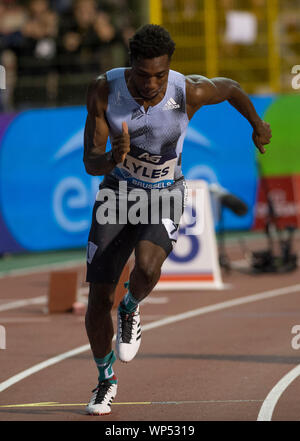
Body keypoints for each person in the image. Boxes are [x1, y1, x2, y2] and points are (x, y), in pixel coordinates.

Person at [83, 24, 272, 416]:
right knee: (98, 297)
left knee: (148, 268)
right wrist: (112, 159)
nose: (151, 83)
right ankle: (106, 380)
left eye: (160, 75)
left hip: (166, 191)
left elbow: (232, 87)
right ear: (129, 66)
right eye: (142, 75)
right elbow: (90, 162)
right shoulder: (105, 89)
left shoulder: (189, 90)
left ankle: (131, 307)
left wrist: (257, 125)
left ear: (169, 69)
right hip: (118, 193)